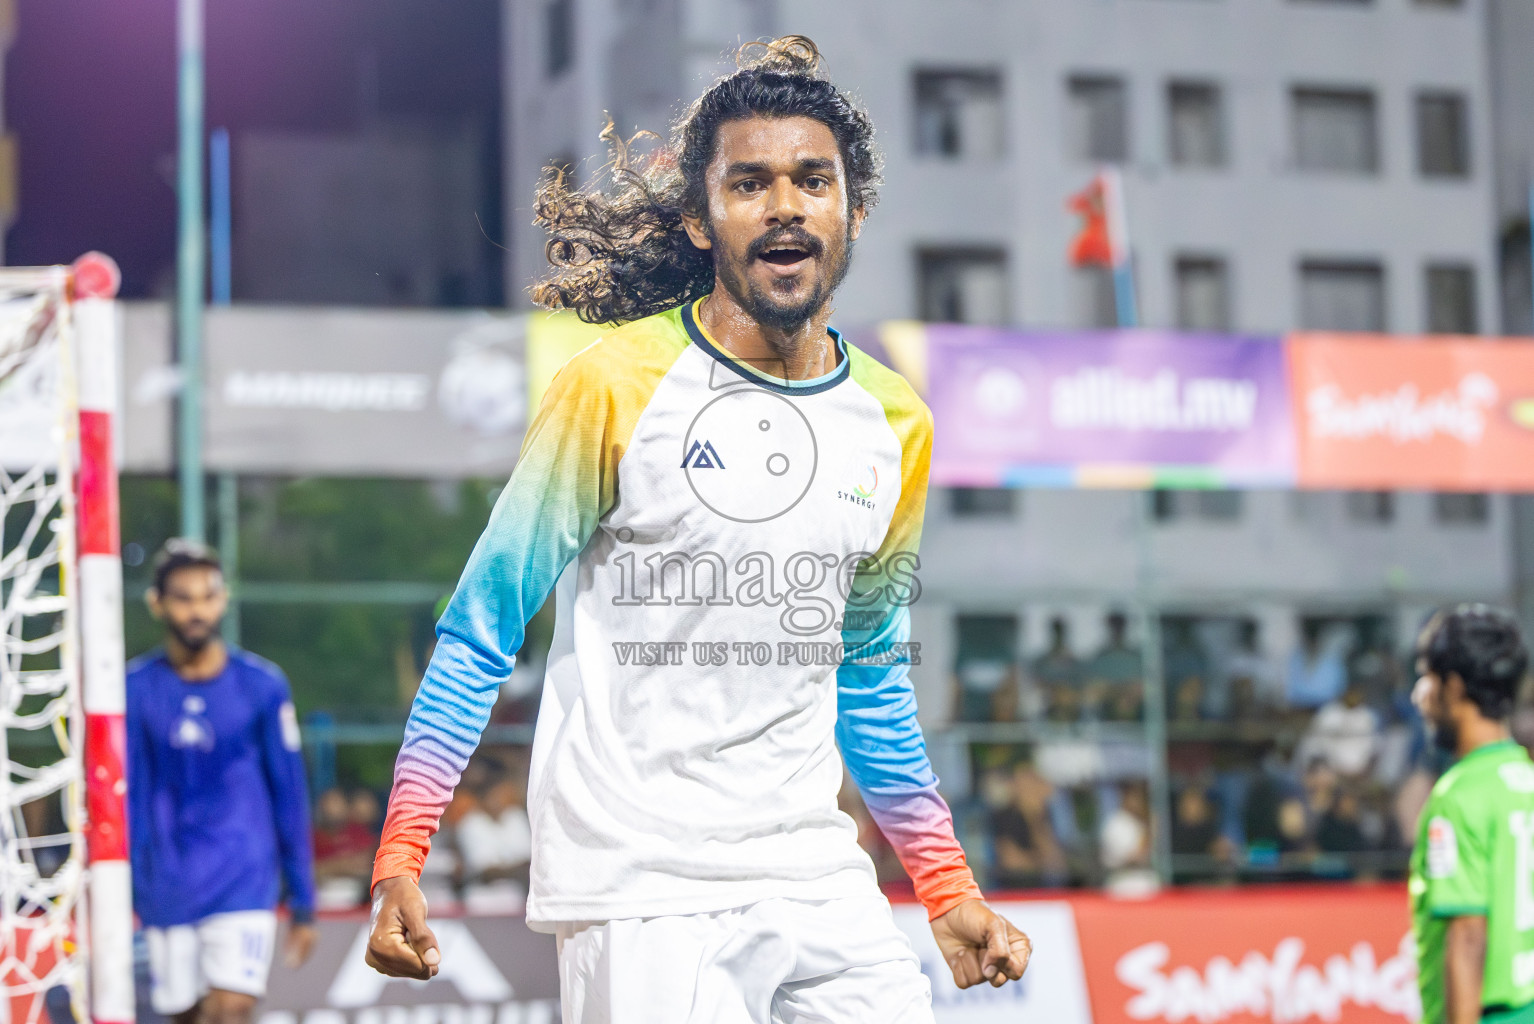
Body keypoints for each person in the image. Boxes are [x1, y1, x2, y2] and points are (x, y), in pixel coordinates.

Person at [364, 35, 1030, 1021]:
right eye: (749, 183)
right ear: (698, 217)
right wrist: (400, 853)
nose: (786, 205)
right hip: (643, 885)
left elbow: (870, 675)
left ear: (852, 208)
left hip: (814, 871)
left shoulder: (896, 421)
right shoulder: (612, 386)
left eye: (813, 179)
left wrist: (944, 886)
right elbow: (480, 631)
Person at [127, 540, 317, 1024]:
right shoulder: (133, 688)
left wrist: (303, 900)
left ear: (223, 599)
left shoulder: (263, 685)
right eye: (183, 597)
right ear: (158, 603)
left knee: (231, 1011)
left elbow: (289, 794)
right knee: (188, 1018)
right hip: (166, 885)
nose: (197, 609)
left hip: (244, 880)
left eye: (207, 595)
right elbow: (128, 793)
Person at [1409, 605, 1534, 1024]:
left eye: (1427, 679)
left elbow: (1466, 936)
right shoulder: (1526, 780)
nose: (1418, 696)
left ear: (1455, 687)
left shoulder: (1459, 797)